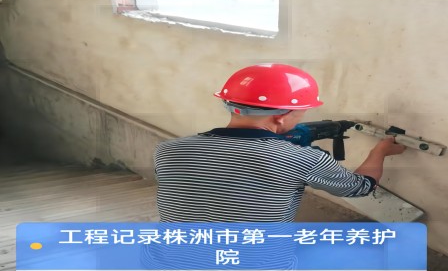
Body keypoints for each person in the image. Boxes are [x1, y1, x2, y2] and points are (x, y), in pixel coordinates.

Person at [154, 63, 405, 223]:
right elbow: (360, 187)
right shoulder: (304, 159)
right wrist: (379, 151)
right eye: (301, 113)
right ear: (282, 116)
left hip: (168, 267)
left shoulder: (168, 150)